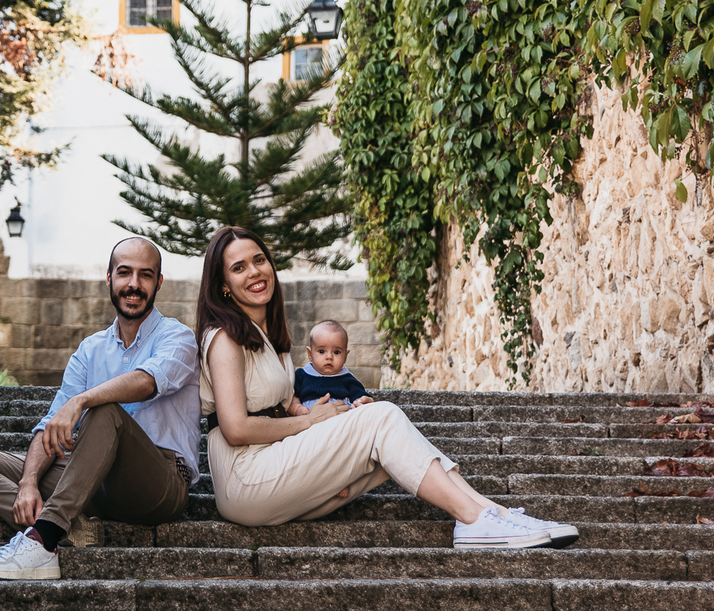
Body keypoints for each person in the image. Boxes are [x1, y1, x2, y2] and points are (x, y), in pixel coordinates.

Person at [197, 226, 579, 549]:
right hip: (244, 478)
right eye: (238, 267)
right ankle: (472, 518)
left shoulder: (269, 339)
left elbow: (287, 412)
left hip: (275, 464)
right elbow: (236, 428)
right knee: (382, 417)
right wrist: (313, 422)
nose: (254, 272)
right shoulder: (225, 338)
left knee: (380, 426)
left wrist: (337, 422)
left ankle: (493, 514)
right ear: (224, 285)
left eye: (259, 260)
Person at [0, 237, 201, 579]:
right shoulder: (90, 349)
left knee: (105, 410)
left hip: (159, 483)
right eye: (124, 273)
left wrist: (82, 400)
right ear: (109, 278)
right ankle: (74, 529)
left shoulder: (178, 337)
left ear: (159, 283)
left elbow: (145, 382)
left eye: (146, 275)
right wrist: (28, 483)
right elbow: (51, 425)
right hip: (93, 480)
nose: (134, 284)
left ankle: (43, 540)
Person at [290, 320, 373, 413]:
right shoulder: (302, 375)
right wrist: (297, 409)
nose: (329, 357)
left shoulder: (347, 378)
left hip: (341, 419)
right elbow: (292, 397)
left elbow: (361, 398)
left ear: (345, 356)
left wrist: (361, 402)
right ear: (310, 354)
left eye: (336, 352)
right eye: (321, 351)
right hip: (311, 419)